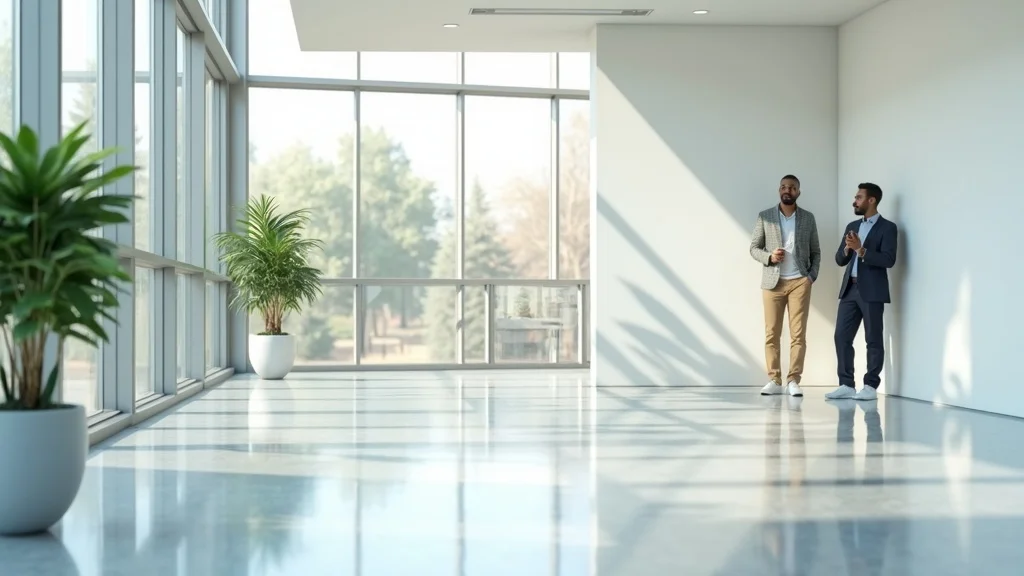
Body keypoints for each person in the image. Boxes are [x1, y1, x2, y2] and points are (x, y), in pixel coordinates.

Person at [749, 175, 821, 397]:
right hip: (773, 282)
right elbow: (753, 248)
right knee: (772, 333)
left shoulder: (808, 218)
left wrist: (811, 276)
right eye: (783, 187)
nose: (787, 190)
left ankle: (793, 380)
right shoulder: (766, 216)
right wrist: (770, 256)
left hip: (800, 281)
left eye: (792, 187)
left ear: (798, 191)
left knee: (798, 334)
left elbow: (816, 251)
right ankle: (774, 378)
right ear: (779, 190)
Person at [825, 183, 898, 401]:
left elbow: (888, 259)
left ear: (871, 200)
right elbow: (840, 260)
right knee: (841, 336)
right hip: (850, 289)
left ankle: (870, 386)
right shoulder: (852, 225)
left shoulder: (888, 227)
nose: (854, 201)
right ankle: (846, 384)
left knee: (873, 338)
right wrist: (848, 248)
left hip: (873, 290)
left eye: (858, 197)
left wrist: (861, 249)